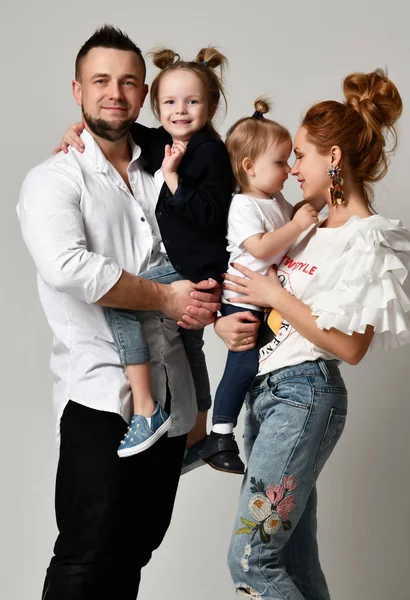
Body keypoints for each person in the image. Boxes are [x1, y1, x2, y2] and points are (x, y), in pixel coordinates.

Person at [17, 26, 220, 600]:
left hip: (172, 397)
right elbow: (68, 268)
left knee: (135, 551)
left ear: (145, 93)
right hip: (100, 398)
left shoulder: (168, 165)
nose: (116, 93)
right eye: (101, 81)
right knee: (87, 554)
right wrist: (165, 297)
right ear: (77, 90)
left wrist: (208, 301)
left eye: (129, 82)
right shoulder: (53, 180)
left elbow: (212, 229)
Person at [214, 69, 410, 599]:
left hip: (305, 396)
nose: (291, 170)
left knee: (251, 560)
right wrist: (228, 322)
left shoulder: (368, 240)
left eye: (303, 157)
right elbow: (256, 288)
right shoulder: (305, 226)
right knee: (293, 560)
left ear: (332, 158)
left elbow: (351, 347)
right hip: (265, 395)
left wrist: (277, 298)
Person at [56, 46, 234, 463]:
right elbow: (117, 129)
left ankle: (147, 409)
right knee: (192, 349)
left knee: (121, 300)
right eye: (170, 103)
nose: (180, 112)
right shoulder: (165, 142)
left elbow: (211, 213)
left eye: (192, 102)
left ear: (210, 107)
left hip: (196, 266)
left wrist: (172, 180)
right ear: (155, 105)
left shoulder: (208, 152)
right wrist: (76, 129)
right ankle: (200, 433)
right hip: (192, 266)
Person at [199, 98, 318, 474]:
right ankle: (219, 434)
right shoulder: (243, 206)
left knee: (262, 362)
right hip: (243, 301)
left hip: (267, 298)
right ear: (249, 167)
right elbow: (264, 247)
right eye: (281, 162)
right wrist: (299, 225)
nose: (288, 170)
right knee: (244, 361)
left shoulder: (275, 200)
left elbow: (298, 215)